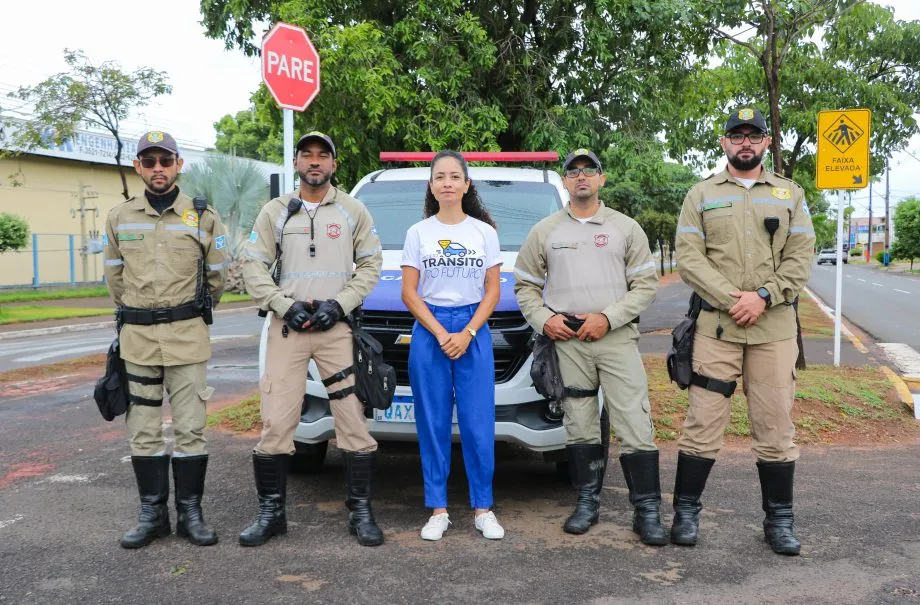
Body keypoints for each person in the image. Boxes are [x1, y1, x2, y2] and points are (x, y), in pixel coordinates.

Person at [673, 107, 815, 555]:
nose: (745, 143)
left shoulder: (789, 194)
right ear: (724, 143)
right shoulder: (701, 194)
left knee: (775, 427)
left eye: (753, 136)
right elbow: (689, 258)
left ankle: (779, 522)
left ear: (766, 143)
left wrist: (765, 296)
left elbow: (800, 256)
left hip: (773, 330)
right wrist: (734, 298)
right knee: (702, 424)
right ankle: (686, 514)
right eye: (737, 136)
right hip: (717, 328)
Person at [514, 149, 666, 545]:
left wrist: (609, 318)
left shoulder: (625, 228)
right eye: (573, 172)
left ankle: (647, 512)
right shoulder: (545, 231)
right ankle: (586, 503)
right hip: (568, 340)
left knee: (634, 421)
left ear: (602, 179)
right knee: (579, 424)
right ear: (564, 182)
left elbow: (645, 286)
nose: (581, 177)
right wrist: (546, 319)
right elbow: (525, 286)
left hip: (614, 337)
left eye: (589, 171)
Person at [240, 131, 384, 547]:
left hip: (336, 331)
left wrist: (340, 305)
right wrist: (283, 304)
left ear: (334, 165)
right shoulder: (275, 212)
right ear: (298, 163)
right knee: (276, 422)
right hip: (288, 328)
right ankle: (271, 515)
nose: (315, 162)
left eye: (323, 156)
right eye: (307, 156)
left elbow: (371, 265)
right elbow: (253, 264)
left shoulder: (353, 210)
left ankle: (361, 514)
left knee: (352, 422)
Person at [103, 131, 228, 548]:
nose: (158, 168)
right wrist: (137, 312)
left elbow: (217, 277)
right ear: (138, 166)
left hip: (187, 337)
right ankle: (152, 514)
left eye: (165, 160)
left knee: (191, 428)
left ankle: (191, 514)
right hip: (138, 339)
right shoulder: (120, 217)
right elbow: (114, 277)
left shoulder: (203, 216)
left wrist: (184, 311)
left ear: (178, 165)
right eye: (149, 161)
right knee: (143, 430)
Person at [400, 150, 505, 541]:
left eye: (454, 176)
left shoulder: (483, 233)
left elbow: (492, 291)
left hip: (473, 330)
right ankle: (438, 509)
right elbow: (409, 293)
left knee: (479, 422)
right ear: (431, 185)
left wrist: (468, 333)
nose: (447, 182)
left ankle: (483, 508)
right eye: (439, 177)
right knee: (433, 422)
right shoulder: (418, 233)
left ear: (466, 184)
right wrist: (441, 333)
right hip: (430, 330)